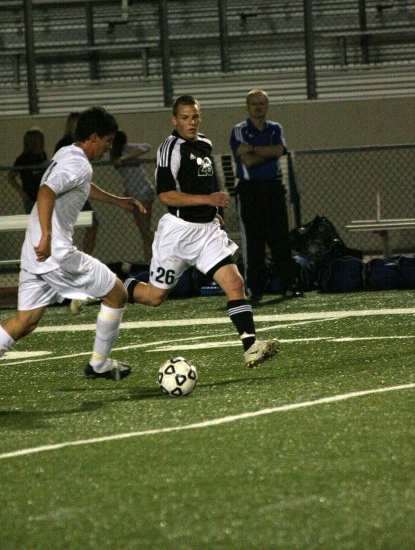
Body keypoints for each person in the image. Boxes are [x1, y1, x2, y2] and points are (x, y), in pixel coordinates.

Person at [123, 94, 279, 368]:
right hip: (178, 233)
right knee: (154, 297)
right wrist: (209, 201)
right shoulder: (169, 148)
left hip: (206, 232)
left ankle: (251, 346)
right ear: (175, 120)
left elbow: (209, 188)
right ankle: (106, 287)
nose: (191, 122)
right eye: (184, 117)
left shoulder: (204, 144)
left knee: (235, 283)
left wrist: (216, 211)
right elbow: (166, 196)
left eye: (194, 116)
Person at [0, 106, 146, 380]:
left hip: (35, 253)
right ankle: (100, 364)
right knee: (117, 293)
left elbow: (80, 185)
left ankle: (99, 360)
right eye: (107, 141)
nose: (107, 148)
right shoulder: (77, 162)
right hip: (54, 253)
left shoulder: (68, 153)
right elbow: (46, 191)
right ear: (93, 137)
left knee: (25, 321)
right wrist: (47, 235)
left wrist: (117, 201)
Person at [229, 88, 299, 301]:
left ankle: (288, 286)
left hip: (273, 187)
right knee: (253, 241)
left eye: (262, 103)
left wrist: (252, 149)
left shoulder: (275, 128)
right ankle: (255, 290)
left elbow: (279, 150)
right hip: (249, 190)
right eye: (254, 103)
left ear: (267, 106)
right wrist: (267, 151)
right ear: (248, 106)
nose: (258, 107)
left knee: (280, 238)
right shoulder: (239, 130)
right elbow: (248, 161)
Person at [54, 111, 98, 258]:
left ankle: (86, 256)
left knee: (93, 223)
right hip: (66, 193)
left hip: (78, 191)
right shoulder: (64, 146)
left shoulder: (84, 145)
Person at [110, 130, 155, 263]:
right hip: (133, 194)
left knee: (145, 229)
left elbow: (146, 147)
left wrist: (125, 158)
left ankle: (158, 254)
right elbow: (127, 177)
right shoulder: (113, 155)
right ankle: (149, 260)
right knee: (143, 231)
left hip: (144, 191)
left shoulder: (128, 149)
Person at [7, 127, 48, 214]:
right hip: (31, 198)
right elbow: (11, 176)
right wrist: (23, 194)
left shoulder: (42, 155)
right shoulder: (23, 158)